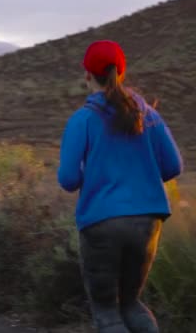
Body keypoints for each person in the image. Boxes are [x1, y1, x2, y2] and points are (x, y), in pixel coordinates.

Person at [57, 40, 183, 333]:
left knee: (107, 313)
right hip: (148, 221)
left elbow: (68, 180)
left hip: (102, 222)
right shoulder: (148, 115)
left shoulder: (83, 119)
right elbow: (173, 166)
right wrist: (140, 176)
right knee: (131, 304)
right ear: (121, 73)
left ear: (87, 75)